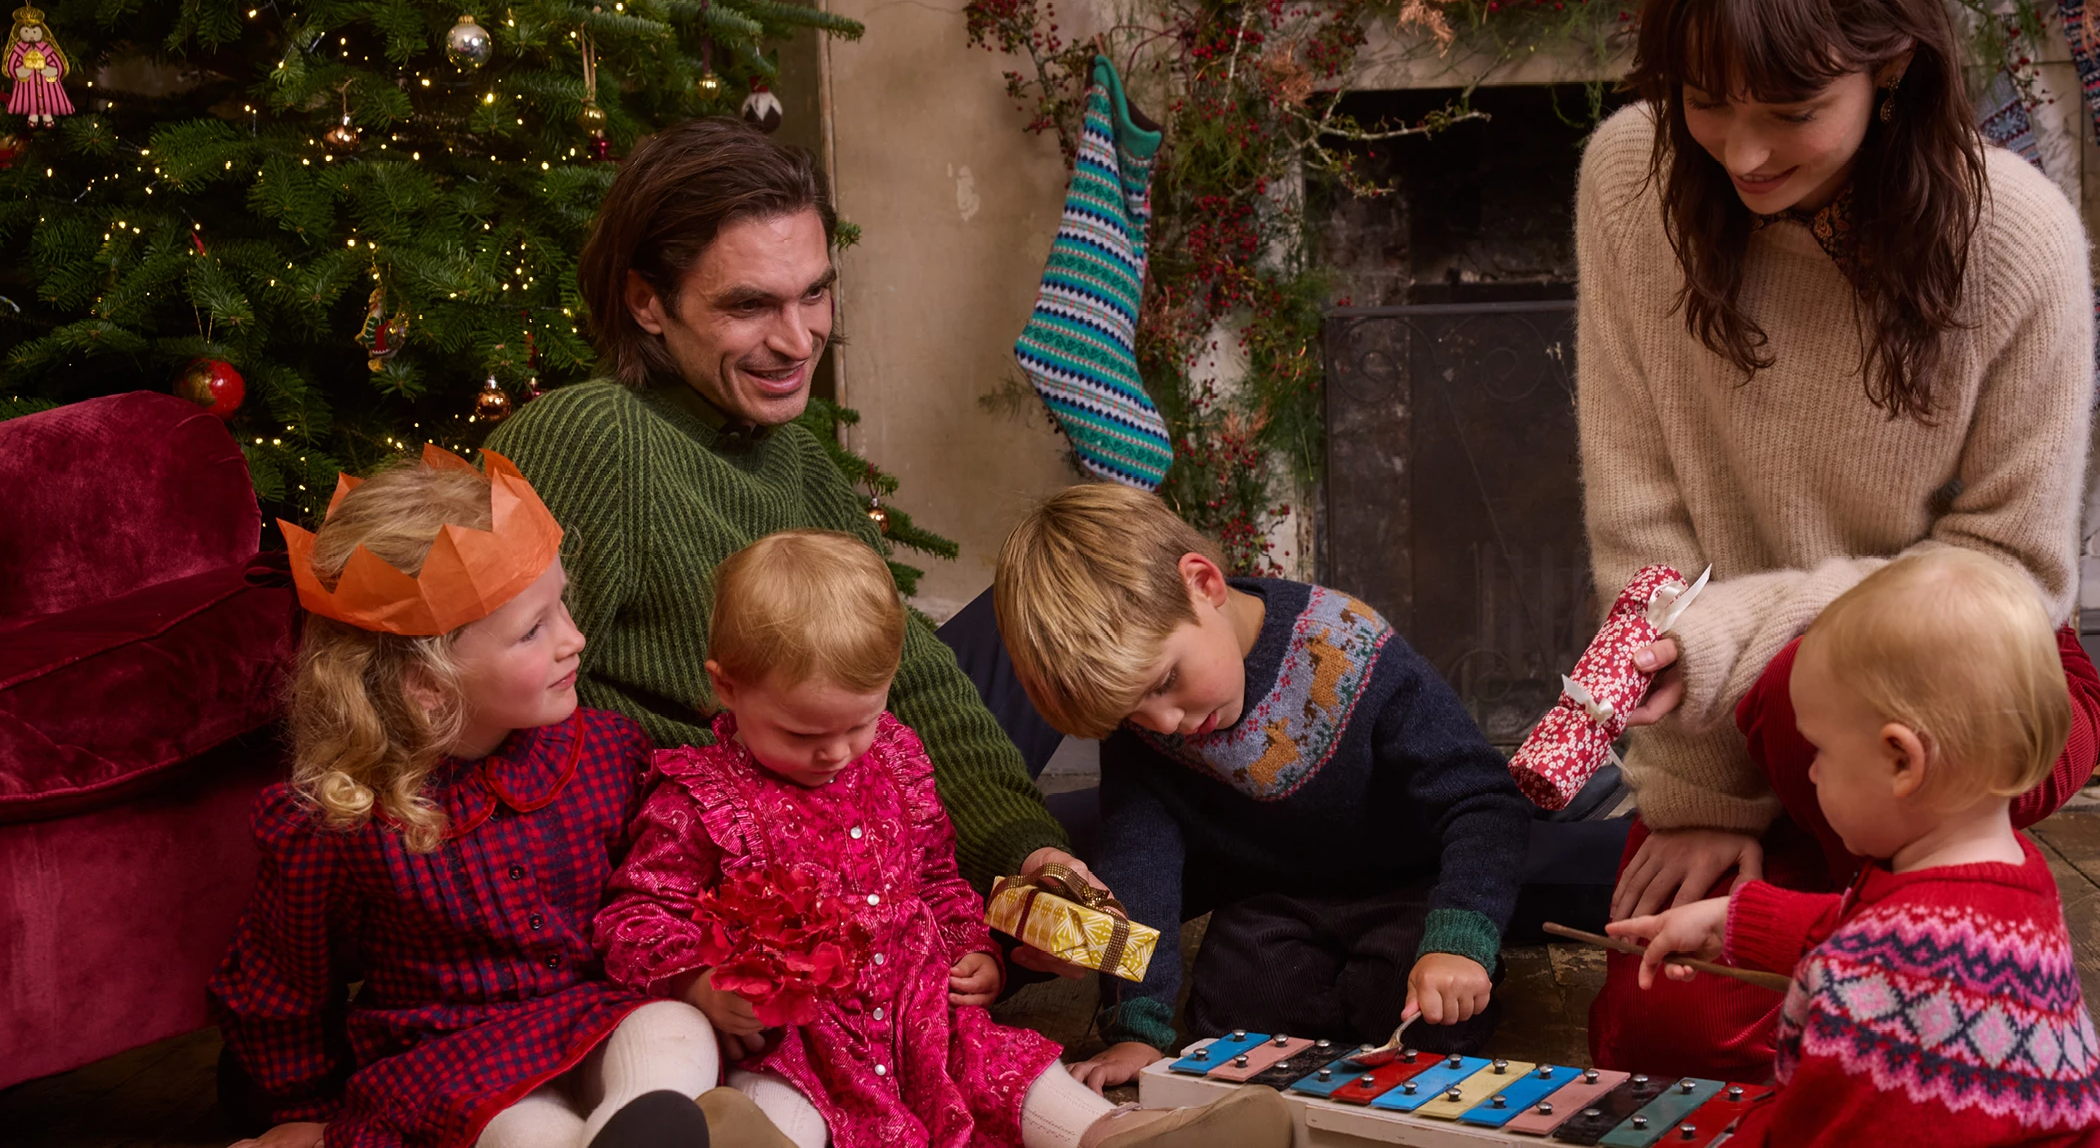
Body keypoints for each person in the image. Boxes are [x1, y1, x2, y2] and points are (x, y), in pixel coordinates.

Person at [1574, 0, 2100, 1079]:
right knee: (1668, 1032)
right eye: (1706, 101)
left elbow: (2008, 568)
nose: (1744, 153)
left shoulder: (2016, 239)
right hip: (1729, 699)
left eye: (1792, 107)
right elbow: (1637, 520)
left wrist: (1730, 645)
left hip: (1961, 661)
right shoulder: (1630, 174)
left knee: (1857, 1039)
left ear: (1894, 66)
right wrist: (1699, 789)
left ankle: (1958, 922)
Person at [482, 118, 1095, 945]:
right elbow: (492, 700)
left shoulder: (798, 462)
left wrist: (1027, 856)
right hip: (719, 863)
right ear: (647, 303)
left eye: (814, 292)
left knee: (1053, 614)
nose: (799, 338)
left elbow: (910, 680)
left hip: (846, 795)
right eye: (749, 305)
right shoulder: (593, 434)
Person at [594, 530, 1291, 1148]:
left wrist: (974, 949)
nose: (838, 751)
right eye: (804, 733)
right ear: (727, 688)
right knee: (788, 1106)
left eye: (859, 722)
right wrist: (700, 983)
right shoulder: (699, 797)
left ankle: (1121, 1132)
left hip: (922, 1014)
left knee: (1017, 1074)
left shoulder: (894, 758)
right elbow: (634, 915)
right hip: (797, 1036)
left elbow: (934, 876)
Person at [211, 450, 765, 1148]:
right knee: (518, 1129)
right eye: (534, 629)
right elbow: (281, 985)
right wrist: (302, 1107)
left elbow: (667, 886)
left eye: (561, 604)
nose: (575, 638)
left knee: (673, 1026)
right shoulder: (342, 820)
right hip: (457, 1057)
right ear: (428, 684)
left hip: (594, 1015)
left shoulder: (604, 751)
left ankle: (646, 1122)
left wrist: (695, 977)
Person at [991, 484, 1533, 1089]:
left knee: (1420, 1011)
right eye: (1133, 714)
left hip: (1404, 884)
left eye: (1168, 680)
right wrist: (1137, 1031)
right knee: (1228, 1021)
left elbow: (1482, 799)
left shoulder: (1349, 646)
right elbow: (1138, 865)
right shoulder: (1145, 723)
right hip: (1273, 898)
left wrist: (1460, 941)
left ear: (1205, 585)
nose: (1167, 724)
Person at [1607, 549, 2100, 1147]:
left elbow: (1812, 1127)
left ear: (1901, 760)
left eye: (1821, 751)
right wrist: (1739, 921)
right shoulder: (2011, 882)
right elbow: (1880, 931)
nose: (1812, 773)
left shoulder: (1871, 1006)